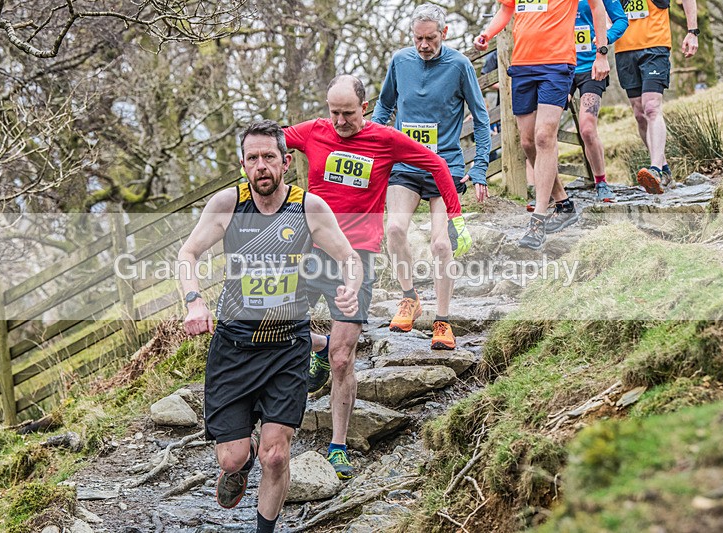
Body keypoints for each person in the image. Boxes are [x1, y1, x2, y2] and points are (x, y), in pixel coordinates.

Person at [178, 120, 363, 533]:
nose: (261, 165)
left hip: (286, 348)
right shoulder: (228, 205)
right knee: (233, 457)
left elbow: (350, 257)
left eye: (269, 157)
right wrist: (193, 300)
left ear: (286, 161)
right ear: (242, 164)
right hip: (234, 347)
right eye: (252, 158)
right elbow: (188, 252)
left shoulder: (308, 208)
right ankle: (237, 467)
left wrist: (349, 289)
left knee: (276, 456)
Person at [283, 74, 472, 479]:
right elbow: (271, 145)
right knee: (279, 324)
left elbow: (435, 163)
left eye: (348, 113)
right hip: (310, 250)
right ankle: (317, 343)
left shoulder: (385, 140)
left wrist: (453, 214)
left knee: (342, 358)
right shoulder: (314, 132)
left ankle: (337, 446)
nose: (339, 121)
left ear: (363, 108)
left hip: (357, 258)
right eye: (334, 112)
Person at [371, 3, 491, 350]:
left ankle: (443, 320)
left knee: (441, 245)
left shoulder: (459, 65)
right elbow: (383, 107)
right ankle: (409, 298)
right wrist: (375, 145)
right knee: (393, 229)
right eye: (418, 38)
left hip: (446, 167)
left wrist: (480, 168)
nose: (424, 45)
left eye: (431, 38)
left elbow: (482, 120)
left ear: (445, 34)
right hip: (405, 167)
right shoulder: (400, 62)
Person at [474, 0, 610, 250]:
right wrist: (487, 33)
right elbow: (506, 9)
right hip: (523, 65)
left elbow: (597, 7)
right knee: (527, 142)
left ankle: (537, 219)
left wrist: (601, 52)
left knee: (544, 137)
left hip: (557, 64)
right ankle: (563, 203)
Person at [615, 0, 699, 193]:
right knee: (639, 114)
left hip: (655, 46)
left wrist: (692, 31)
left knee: (651, 107)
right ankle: (664, 170)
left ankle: (655, 169)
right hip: (624, 48)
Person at [571, 0, 628, 202]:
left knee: (587, 128)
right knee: (542, 128)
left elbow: (621, 20)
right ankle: (547, 188)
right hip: (560, 67)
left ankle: (601, 181)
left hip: (591, 68)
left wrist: (604, 40)